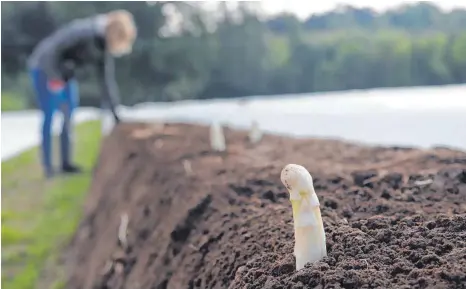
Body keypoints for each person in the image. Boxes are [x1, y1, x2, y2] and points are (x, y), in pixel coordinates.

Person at [28, 10, 137, 178]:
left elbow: (105, 80)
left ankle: (65, 164)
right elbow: (52, 51)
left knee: (68, 114)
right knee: (49, 116)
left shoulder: (102, 43)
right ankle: (48, 168)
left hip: (65, 73)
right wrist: (54, 78)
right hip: (44, 68)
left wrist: (115, 114)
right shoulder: (84, 32)